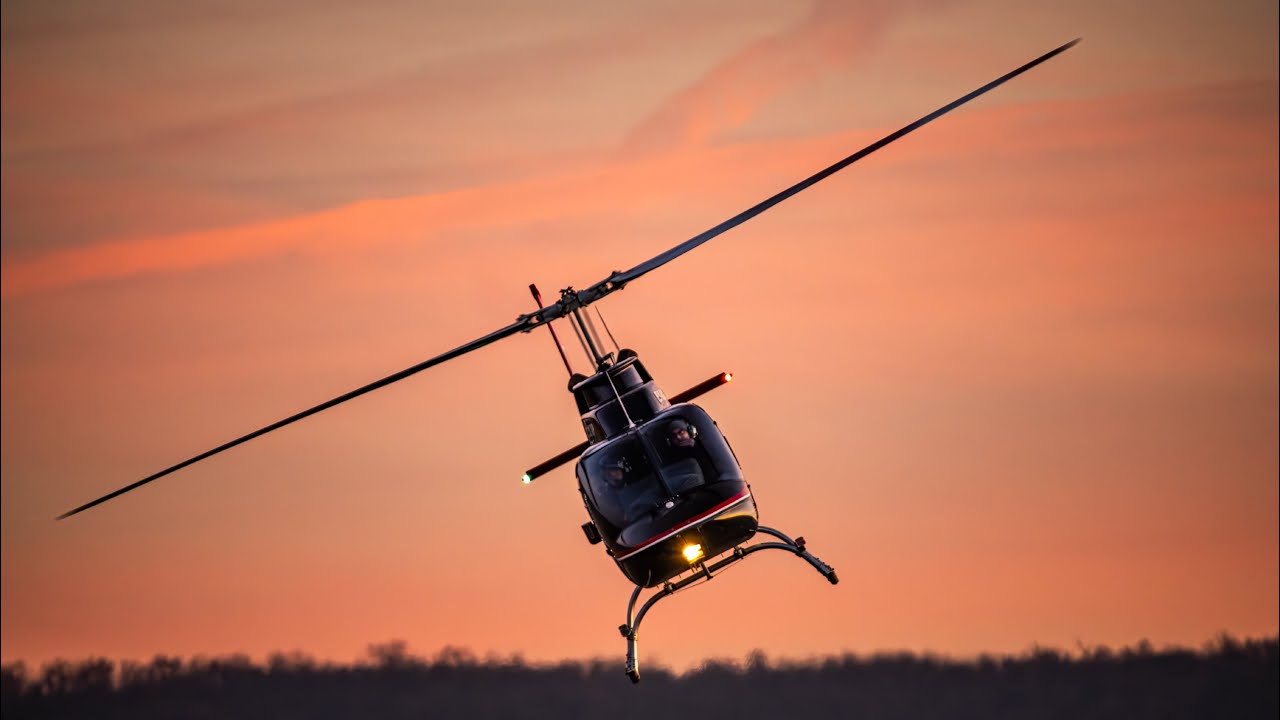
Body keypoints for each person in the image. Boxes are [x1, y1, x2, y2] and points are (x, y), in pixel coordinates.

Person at [662, 418, 704, 494]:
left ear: (690, 432)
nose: (678, 437)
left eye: (681, 432)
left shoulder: (703, 447)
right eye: (674, 436)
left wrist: (695, 447)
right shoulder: (671, 457)